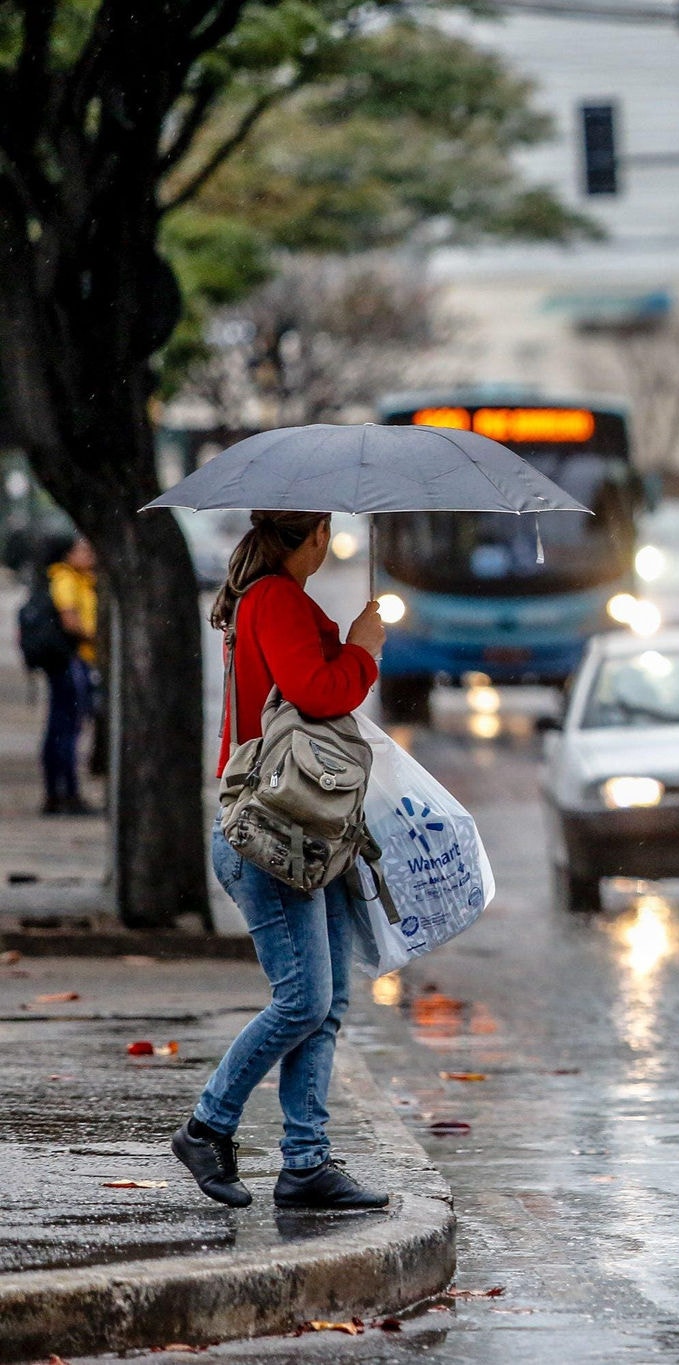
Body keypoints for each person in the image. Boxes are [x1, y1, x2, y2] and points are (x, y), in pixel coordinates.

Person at [171, 511, 390, 1211]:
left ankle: (305, 1163)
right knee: (303, 999)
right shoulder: (277, 599)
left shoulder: (265, 597)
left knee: (326, 1003)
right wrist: (364, 649)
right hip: (274, 834)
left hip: (302, 828)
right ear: (318, 534)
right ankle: (208, 1123)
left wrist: (351, 644)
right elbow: (316, 692)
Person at [39, 535, 98, 816]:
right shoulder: (65, 579)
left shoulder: (81, 578)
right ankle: (63, 793)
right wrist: (96, 637)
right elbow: (70, 620)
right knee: (66, 728)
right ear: (67, 554)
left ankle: (62, 792)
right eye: (82, 550)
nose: (89, 555)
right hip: (71, 662)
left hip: (75, 662)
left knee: (66, 727)